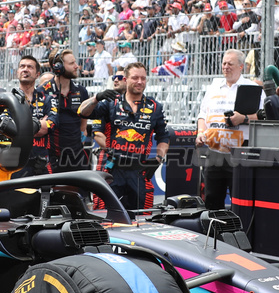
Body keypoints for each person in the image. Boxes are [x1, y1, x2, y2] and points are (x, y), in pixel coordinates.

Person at [78, 61, 169, 213]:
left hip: (139, 170)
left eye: (143, 78)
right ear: (126, 79)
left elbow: (164, 137)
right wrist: (96, 98)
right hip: (113, 170)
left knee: (143, 217)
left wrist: (159, 159)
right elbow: (82, 112)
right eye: (135, 78)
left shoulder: (155, 106)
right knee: (105, 216)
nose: (139, 82)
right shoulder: (111, 102)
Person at [195, 49, 258, 210]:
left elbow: (264, 117)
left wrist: (243, 118)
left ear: (241, 67)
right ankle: (213, 233)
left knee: (240, 201)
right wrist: (200, 133)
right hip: (214, 152)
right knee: (211, 200)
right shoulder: (214, 87)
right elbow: (202, 115)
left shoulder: (251, 88)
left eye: (230, 63)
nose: (226, 67)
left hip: (240, 153)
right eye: (224, 63)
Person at [45, 49, 90, 172]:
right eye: (71, 63)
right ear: (58, 67)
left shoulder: (81, 91)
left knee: (82, 191)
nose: (76, 66)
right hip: (52, 158)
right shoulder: (43, 91)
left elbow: (83, 126)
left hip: (76, 157)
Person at [16, 54, 56, 177]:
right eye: (22, 66)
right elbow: (6, 127)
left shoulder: (48, 99)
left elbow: (51, 124)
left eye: (30, 67)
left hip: (40, 162)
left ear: (37, 74)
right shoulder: (9, 98)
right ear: (17, 72)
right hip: (15, 161)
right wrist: (39, 123)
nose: (25, 69)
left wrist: (20, 127)